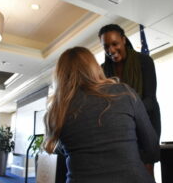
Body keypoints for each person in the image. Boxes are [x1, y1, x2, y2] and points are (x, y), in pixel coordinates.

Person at [43, 47, 160, 183]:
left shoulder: (58, 110)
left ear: (60, 76)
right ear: (95, 68)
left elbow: (60, 150)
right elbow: (152, 150)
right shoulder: (124, 93)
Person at [98, 24, 161, 176]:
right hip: (119, 130)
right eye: (106, 46)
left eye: (115, 44)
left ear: (124, 40)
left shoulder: (144, 61)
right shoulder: (103, 70)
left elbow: (150, 100)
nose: (111, 50)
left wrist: (126, 112)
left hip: (146, 124)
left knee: (145, 172)